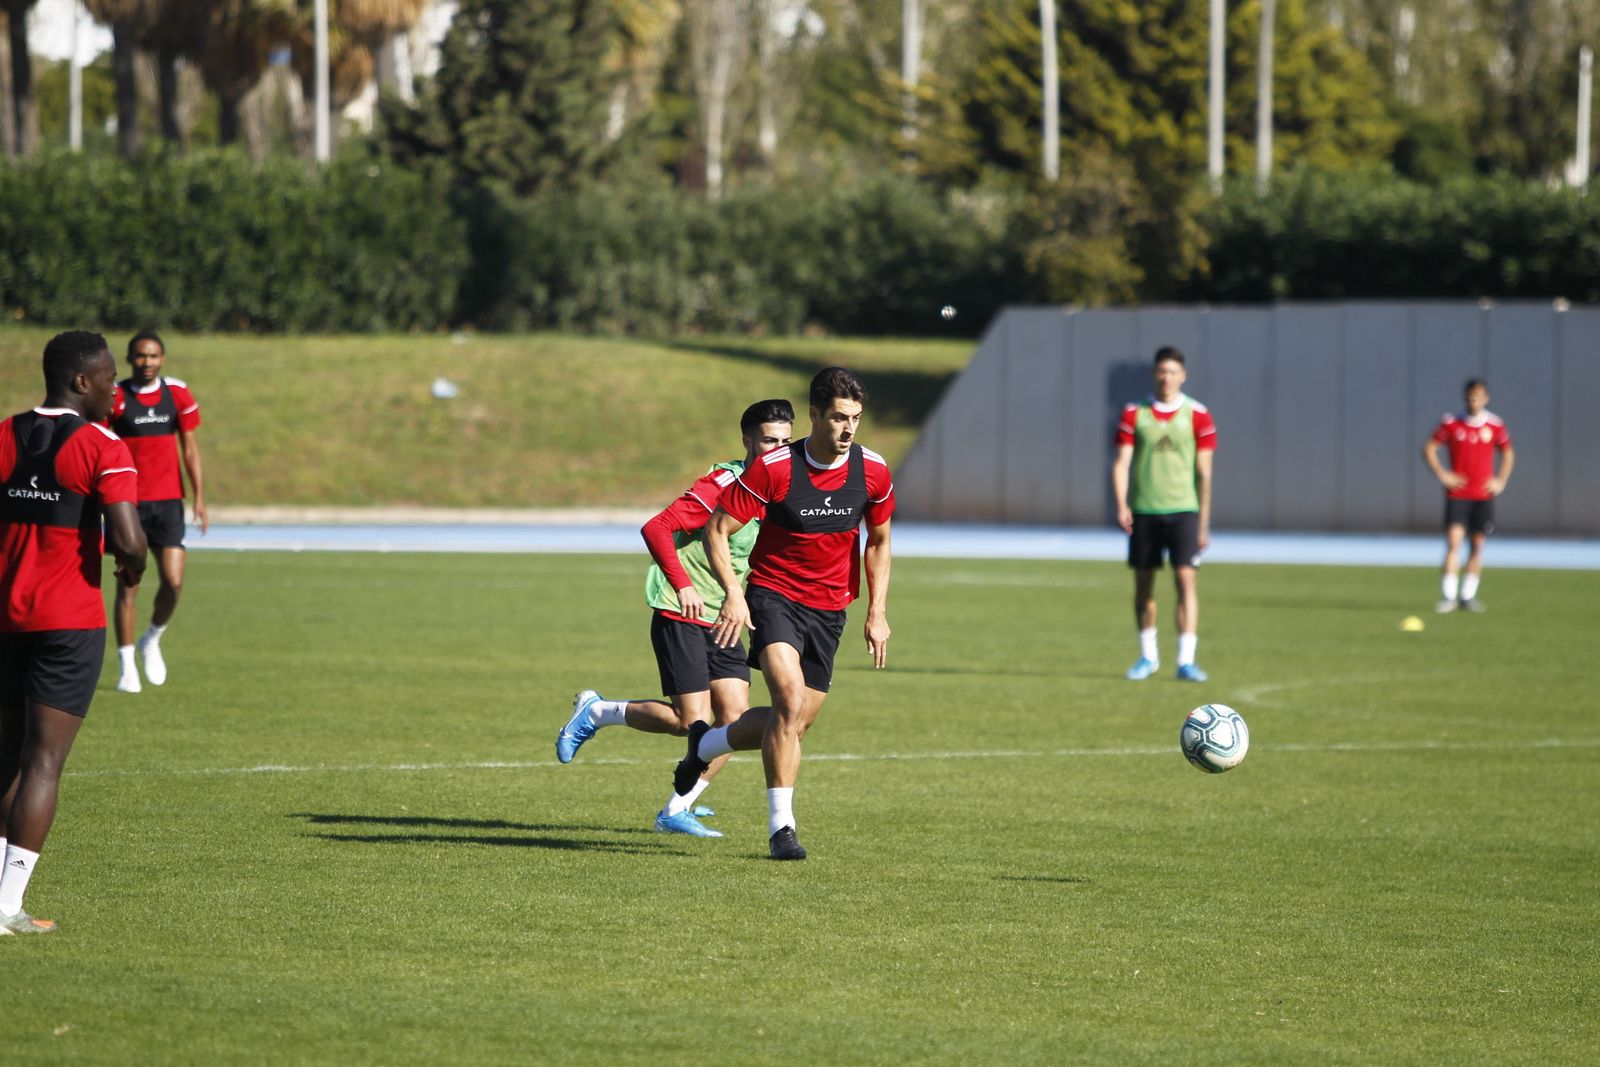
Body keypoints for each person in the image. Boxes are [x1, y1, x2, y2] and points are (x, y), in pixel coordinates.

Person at [673, 366, 894, 861]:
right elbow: (716, 529)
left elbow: (878, 542)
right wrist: (733, 592)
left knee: (792, 721)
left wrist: (876, 612)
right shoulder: (774, 468)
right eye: (838, 417)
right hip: (774, 597)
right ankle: (782, 829)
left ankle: (705, 746)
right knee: (789, 703)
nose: (848, 429)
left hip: (831, 607)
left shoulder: (873, 470)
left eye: (856, 418)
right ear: (814, 415)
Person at [554, 399, 795, 838]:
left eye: (785, 441)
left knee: (734, 723)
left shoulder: (782, 488)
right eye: (768, 441)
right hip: (681, 610)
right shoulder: (723, 484)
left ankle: (675, 809)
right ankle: (598, 711)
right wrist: (683, 583)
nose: (778, 450)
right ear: (747, 442)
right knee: (691, 722)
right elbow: (656, 527)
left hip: (725, 615)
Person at [0, 332, 147, 934]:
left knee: (6, 755)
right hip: (67, 622)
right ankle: (7, 906)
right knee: (44, 762)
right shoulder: (103, 447)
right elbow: (131, 541)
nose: (118, 390)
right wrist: (130, 569)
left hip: (5, 617)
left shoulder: (3, 434)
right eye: (110, 379)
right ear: (81, 382)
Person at [1110, 346, 1217, 683]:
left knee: (1186, 581)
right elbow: (1122, 462)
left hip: (1184, 511)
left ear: (1182, 375)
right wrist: (1121, 504)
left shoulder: (1198, 415)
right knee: (1144, 585)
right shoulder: (1134, 414)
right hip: (1145, 511)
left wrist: (1203, 522)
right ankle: (1148, 657)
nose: (1166, 378)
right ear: (1154, 374)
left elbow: (1205, 474)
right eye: (1161, 371)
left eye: (1172, 372)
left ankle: (1186, 660)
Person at [108, 331, 206, 693]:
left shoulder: (177, 394)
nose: (146, 362)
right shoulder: (116, 397)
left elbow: (190, 449)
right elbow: (101, 447)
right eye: (140, 356)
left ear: (162, 359)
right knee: (128, 587)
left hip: (168, 504)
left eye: (153, 356)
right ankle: (126, 664)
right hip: (127, 505)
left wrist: (199, 497)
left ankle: (152, 638)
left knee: (174, 581)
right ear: (130, 358)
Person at [1422, 379, 1514, 613]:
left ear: (1486, 398)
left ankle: (1467, 596)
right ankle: (1449, 596)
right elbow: (1429, 448)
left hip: (1482, 495)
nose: (1474, 401)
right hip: (1458, 493)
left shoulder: (1494, 425)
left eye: (1478, 397)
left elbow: (1508, 454)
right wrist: (1443, 474)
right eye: (1470, 397)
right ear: (1465, 398)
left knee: (1477, 546)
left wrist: (1500, 480)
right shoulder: (1451, 423)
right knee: (1454, 541)